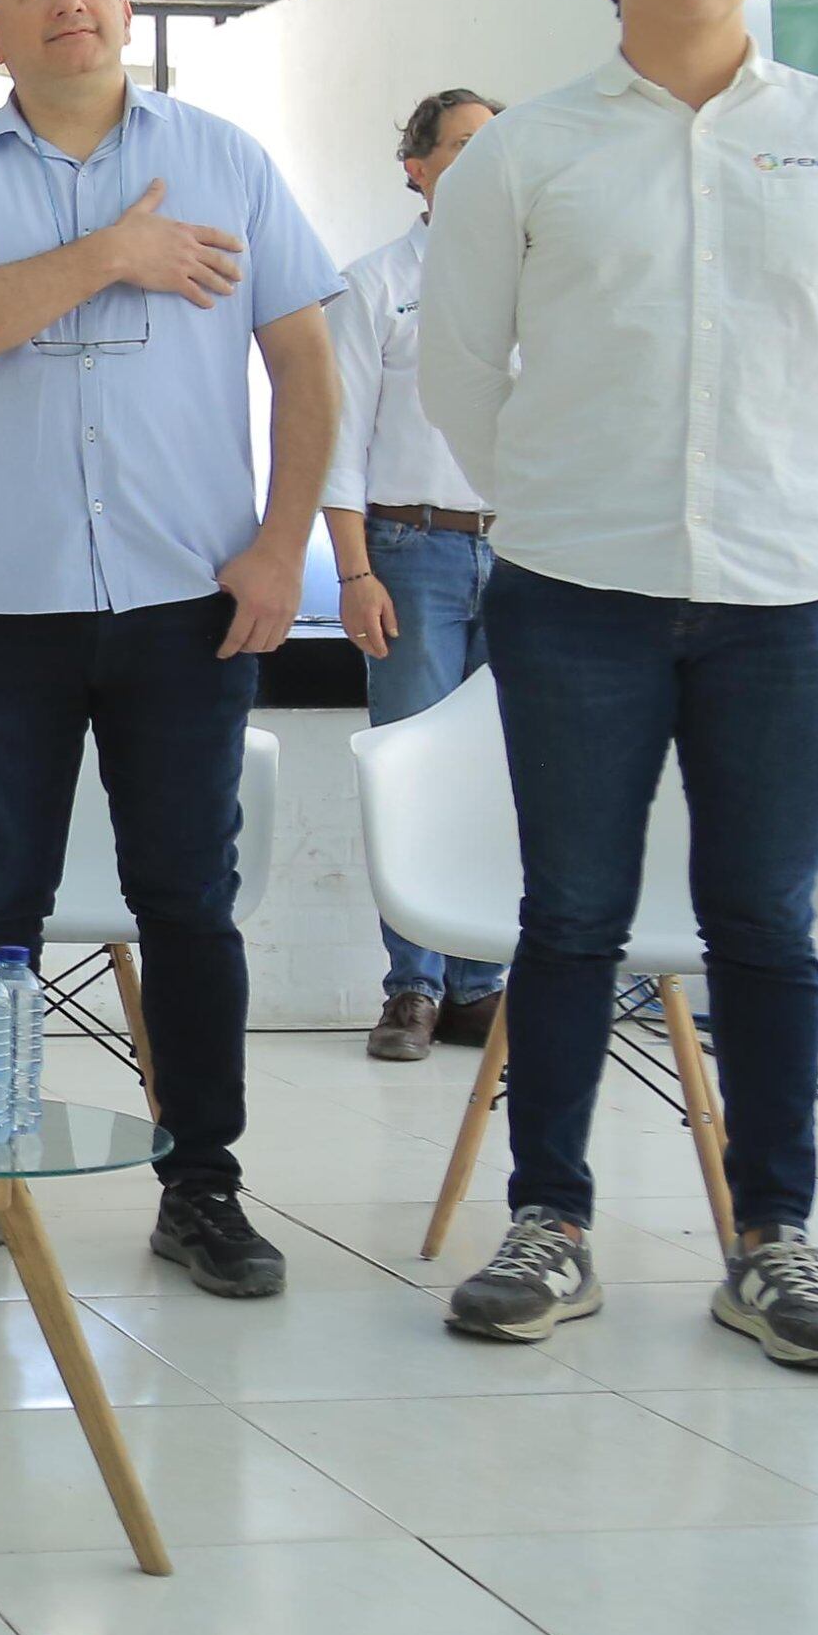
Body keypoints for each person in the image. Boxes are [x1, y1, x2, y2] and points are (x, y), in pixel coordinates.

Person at [425, 0, 818, 1370]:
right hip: (575, 587)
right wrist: (563, 495)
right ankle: (552, 1224)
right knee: (570, 914)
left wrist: (796, 491)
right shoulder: (531, 147)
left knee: (767, 925)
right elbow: (463, 368)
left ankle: (772, 1238)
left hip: (790, 597)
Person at [0, 0, 341, 1296]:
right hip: (2, 597)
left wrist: (281, 545)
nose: (67, 2)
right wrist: (115, 250)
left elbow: (309, 361)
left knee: (187, 898)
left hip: (190, 594)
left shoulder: (228, 158)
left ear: (123, 12)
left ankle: (202, 1184)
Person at [325, 85, 510, 1062]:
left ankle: (480, 986)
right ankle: (411, 988)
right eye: (464, 146)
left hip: (524, 556)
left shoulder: (543, 278)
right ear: (417, 167)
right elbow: (338, 442)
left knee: (498, 777)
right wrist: (354, 570)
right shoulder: (373, 282)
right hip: (413, 554)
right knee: (410, 773)